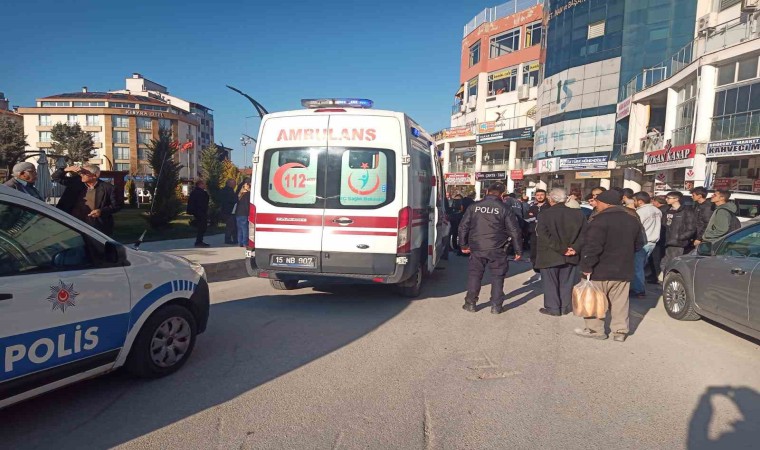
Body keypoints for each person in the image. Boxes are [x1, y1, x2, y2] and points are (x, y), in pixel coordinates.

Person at [576, 190, 645, 342]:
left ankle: (595, 330)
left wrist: (587, 266)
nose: (596, 204)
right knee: (620, 302)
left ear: (605, 203)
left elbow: (592, 246)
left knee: (594, 300)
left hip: (599, 269)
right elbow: (639, 244)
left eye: (598, 201)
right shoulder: (632, 220)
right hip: (623, 268)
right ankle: (620, 331)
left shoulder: (598, 221)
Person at [458, 183, 523, 315]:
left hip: (477, 247)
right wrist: (518, 250)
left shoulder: (474, 207)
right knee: (498, 277)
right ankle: (496, 306)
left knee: (475, 275)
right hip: (498, 248)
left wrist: (463, 245)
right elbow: (514, 231)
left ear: (487, 191)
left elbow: (463, 227)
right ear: (502, 194)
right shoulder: (504, 208)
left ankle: (470, 303)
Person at [534, 188, 585, 316]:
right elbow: (585, 234)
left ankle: (553, 308)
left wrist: (562, 249)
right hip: (571, 254)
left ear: (551, 199)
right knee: (567, 281)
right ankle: (565, 307)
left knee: (550, 282)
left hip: (550, 253)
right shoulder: (578, 214)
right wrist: (575, 248)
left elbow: (543, 235)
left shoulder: (545, 214)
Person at [52, 164, 119, 236]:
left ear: (95, 175)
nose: (81, 174)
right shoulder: (75, 182)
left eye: (84, 173)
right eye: (81, 173)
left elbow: (116, 205)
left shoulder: (108, 188)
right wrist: (66, 169)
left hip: (95, 226)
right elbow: (55, 177)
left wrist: (101, 211)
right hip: (72, 223)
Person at [631, 192, 661, 297]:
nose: (633, 203)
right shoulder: (657, 210)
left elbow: (636, 228)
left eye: (634, 200)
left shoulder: (641, 212)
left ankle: (639, 290)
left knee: (637, 267)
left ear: (640, 201)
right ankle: (638, 287)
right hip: (652, 241)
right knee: (640, 266)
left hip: (643, 242)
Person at [661, 191, 697, 275]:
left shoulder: (686, 211)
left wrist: (680, 238)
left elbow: (691, 228)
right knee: (664, 262)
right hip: (665, 240)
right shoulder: (666, 210)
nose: (666, 200)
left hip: (677, 242)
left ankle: (671, 277)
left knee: (673, 262)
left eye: (668, 198)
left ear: (676, 199)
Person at [525, 189, 550, 280]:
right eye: (538, 195)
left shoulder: (549, 207)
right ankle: (537, 272)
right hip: (534, 234)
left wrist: (537, 219)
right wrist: (535, 219)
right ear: (535, 196)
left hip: (546, 235)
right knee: (534, 254)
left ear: (545, 196)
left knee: (545, 253)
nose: (540, 196)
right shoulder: (532, 207)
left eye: (542, 195)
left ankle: (545, 272)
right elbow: (526, 218)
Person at [647, 195, 670, 284]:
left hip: (658, 237)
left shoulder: (660, 211)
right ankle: (654, 275)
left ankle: (656, 276)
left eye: (653, 201)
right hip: (663, 237)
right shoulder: (667, 209)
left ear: (657, 202)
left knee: (655, 259)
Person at [187, 180, 210, 248]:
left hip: (198, 211)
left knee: (202, 226)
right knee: (202, 226)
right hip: (200, 211)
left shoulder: (195, 192)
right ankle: (199, 242)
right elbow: (202, 203)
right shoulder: (199, 192)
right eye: (204, 184)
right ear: (200, 184)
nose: (205, 185)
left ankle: (199, 241)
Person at [220, 179, 238, 244]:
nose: (235, 185)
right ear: (230, 184)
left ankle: (234, 239)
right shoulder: (228, 191)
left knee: (232, 225)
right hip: (229, 211)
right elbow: (232, 200)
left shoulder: (225, 190)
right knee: (230, 226)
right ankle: (228, 239)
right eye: (234, 183)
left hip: (227, 211)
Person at [235, 180, 251, 247]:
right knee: (245, 229)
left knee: (240, 229)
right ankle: (245, 242)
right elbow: (247, 205)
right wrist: (249, 213)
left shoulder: (240, 194)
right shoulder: (248, 194)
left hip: (238, 213)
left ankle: (240, 242)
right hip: (244, 213)